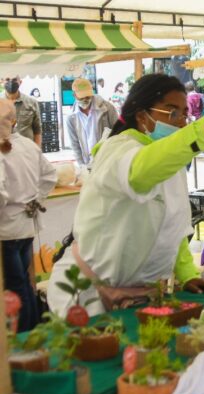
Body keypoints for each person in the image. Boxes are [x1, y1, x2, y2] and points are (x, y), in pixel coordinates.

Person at [47, 74, 204, 317]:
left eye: (184, 114)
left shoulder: (170, 160)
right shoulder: (119, 149)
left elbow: (172, 226)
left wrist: (187, 275)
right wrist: (202, 132)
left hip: (140, 298)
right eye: (172, 113)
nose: (181, 122)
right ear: (142, 116)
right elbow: (141, 172)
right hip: (85, 293)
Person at [0, 99, 57, 331]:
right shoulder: (26, 144)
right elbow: (50, 175)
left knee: (16, 286)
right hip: (26, 225)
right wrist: (34, 200)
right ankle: (35, 330)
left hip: (6, 229)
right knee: (25, 282)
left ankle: (25, 336)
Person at [66, 78, 118, 166]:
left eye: (88, 96)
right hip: (87, 162)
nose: (86, 99)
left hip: (108, 160)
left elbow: (118, 133)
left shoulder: (108, 109)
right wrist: (82, 165)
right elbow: (75, 144)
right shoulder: (71, 117)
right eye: (82, 97)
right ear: (74, 95)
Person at [3, 77, 41, 146]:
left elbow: (37, 130)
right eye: (7, 79)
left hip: (26, 150)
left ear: (20, 82)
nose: (11, 82)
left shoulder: (32, 102)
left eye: (14, 79)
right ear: (2, 81)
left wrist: (37, 151)